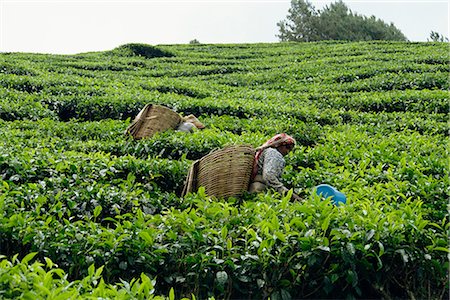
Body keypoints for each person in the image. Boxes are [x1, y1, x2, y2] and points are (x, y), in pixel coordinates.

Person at [249, 133, 302, 201]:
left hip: (253, 189)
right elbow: (269, 176)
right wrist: (289, 194)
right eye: (287, 147)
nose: (288, 152)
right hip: (259, 191)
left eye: (290, 150)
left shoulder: (266, 151)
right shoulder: (274, 153)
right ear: (279, 144)